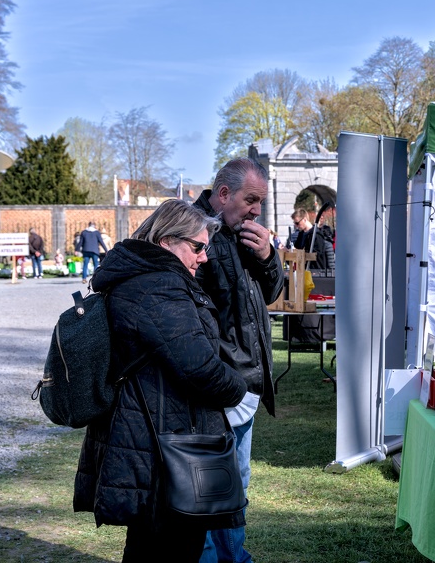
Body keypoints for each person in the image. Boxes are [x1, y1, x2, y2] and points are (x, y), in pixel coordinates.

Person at [73, 199, 249, 561]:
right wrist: (240, 387)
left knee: (151, 546)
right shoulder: (158, 286)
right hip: (161, 442)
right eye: (197, 247)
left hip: (153, 433)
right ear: (167, 241)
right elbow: (198, 366)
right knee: (167, 548)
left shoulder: (143, 277)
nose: (203, 258)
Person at [193, 157, 285, 563]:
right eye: (251, 200)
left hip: (244, 385)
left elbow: (269, 294)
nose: (256, 211)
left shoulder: (241, 232)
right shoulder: (192, 232)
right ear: (224, 194)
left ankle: (235, 557)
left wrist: (268, 257)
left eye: (260, 203)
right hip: (215, 386)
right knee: (210, 489)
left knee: (236, 483)